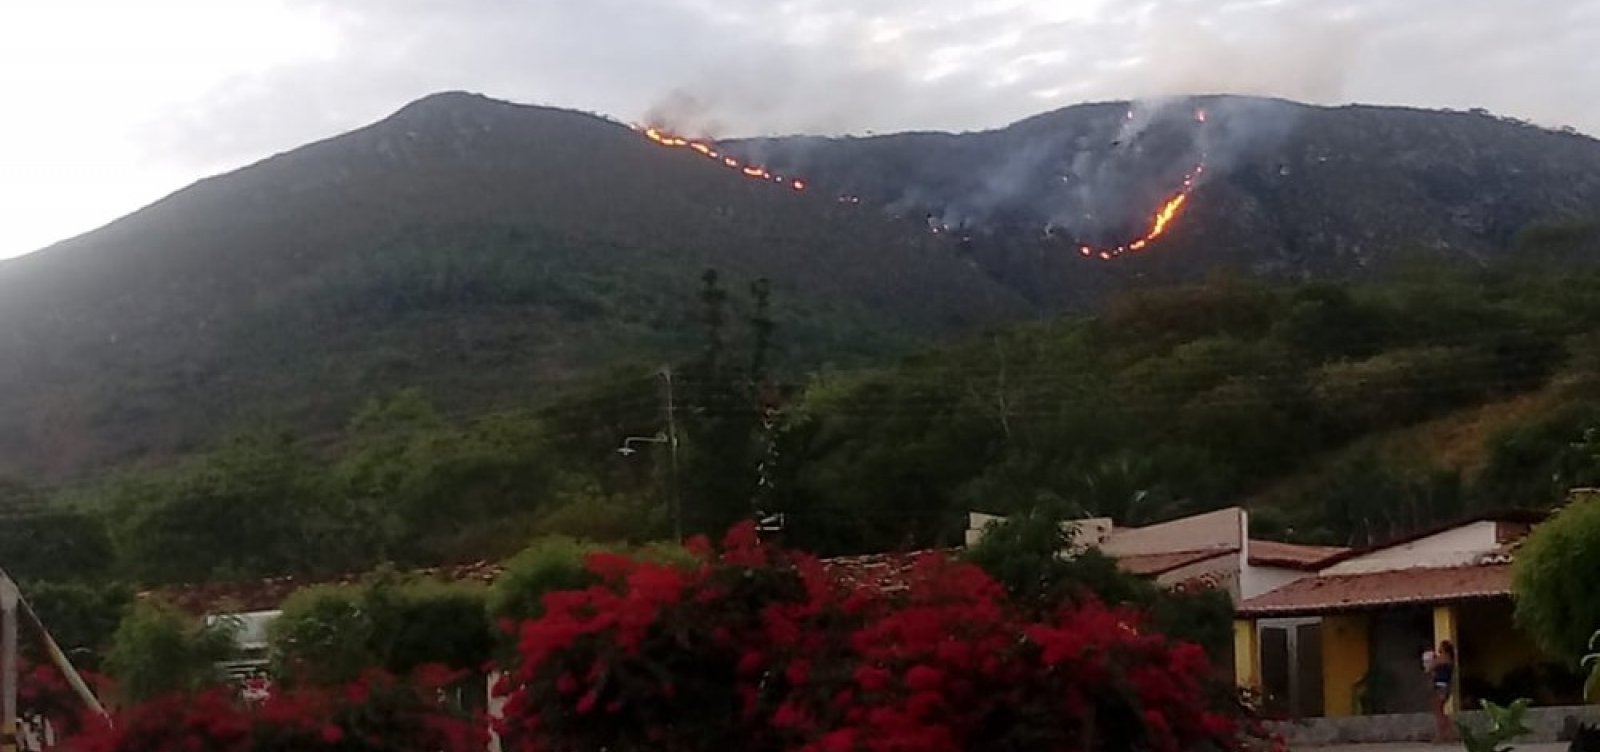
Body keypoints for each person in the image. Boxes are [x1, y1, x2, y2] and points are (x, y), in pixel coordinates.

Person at [1427, 641, 1456, 744]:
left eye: (1441, 646)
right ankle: (1449, 735)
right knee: (1441, 712)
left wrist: (1432, 659)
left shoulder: (1442, 658)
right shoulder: (1450, 660)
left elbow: (1429, 668)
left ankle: (1440, 736)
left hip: (1440, 687)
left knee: (1438, 713)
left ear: (1444, 649)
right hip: (1445, 687)